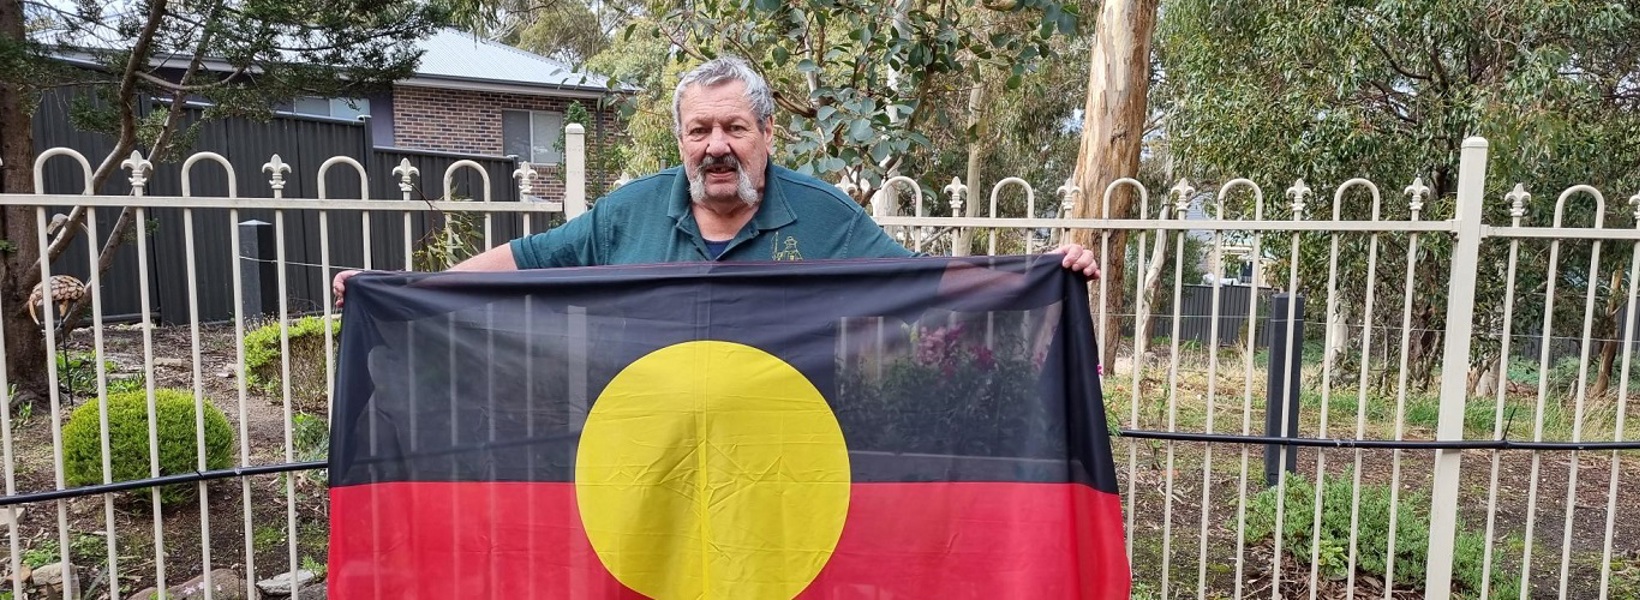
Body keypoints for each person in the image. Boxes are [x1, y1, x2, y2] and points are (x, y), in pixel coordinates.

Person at [332, 55, 1098, 305]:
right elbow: (524, 262)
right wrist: (405, 288)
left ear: (768, 134)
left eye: (736, 128)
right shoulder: (627, 213)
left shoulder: (824, 216)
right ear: (680, 140)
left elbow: (922, 281)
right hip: (646, 464)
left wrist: (1039, 272)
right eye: (700, 130)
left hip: (782, 463)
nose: (718, 146)